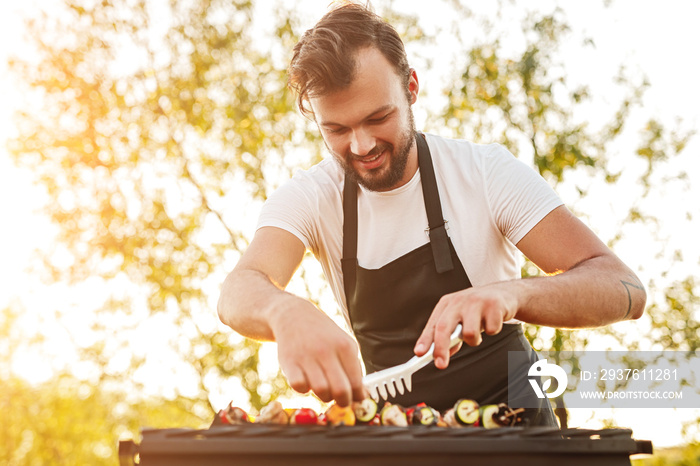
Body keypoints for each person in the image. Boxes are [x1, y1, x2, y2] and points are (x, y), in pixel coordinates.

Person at [217, 2, 646, 426]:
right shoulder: (311, 197)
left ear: (411, 88)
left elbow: (623, 287)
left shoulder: (485, 173)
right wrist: (284, 312)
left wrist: (513, 294)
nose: (362, 145)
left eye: (378, 117)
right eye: (338, 130)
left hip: (518, 429)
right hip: (403, 439)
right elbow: (238, 290)